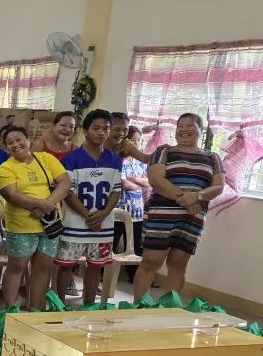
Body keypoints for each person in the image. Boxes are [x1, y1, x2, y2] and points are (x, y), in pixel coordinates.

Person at [132, 112, 224, 301]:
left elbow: (218, 187)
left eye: (189, 126)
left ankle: (168, 309)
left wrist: (197, 196)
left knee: (178, 264)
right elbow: (156, 180)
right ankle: (139, 307)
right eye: (180, 126)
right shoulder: (164, 151)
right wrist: (187, 200)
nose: (183, 130)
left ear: (201, 129)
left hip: (193, 218)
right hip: (161, 215)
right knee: (151, 261)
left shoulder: (212, 157)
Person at [0, 125, 72, 310]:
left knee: (43, 268)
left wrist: (47, 205)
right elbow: (11, 195)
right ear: (6, 148)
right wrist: (42, 205)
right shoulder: (6, 168)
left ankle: (36, 309)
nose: (16, 144)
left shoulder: (45, 158)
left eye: (19, 139)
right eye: (10, 143)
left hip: (49, 225)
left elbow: (65, 182)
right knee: (17, 267)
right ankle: (11, 311)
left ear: (28, 139)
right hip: (21, 227)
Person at [54, 109, 122, 304]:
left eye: (105, 128)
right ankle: (59, 305)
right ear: (85, 131)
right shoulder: (71, 159)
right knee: (66, 266)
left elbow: (116, 191)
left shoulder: (115, 160)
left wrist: (103, 214)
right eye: (96, 128)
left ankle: (89, 306)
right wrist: (87, 215)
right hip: (74, 224)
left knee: (96, 267)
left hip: (103, 226)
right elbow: (67, 192)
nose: (101, 132)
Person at [114, 125, 149, 278]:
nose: (135, 144)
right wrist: (138, 183)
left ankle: (134, 276)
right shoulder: (117, 159)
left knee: (135, 245)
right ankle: (102, 275)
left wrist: (133, 179)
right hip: (118, 209)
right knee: (112, 242)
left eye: (138, 140)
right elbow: (122, 184)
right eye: (132, 140)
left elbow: (149, 181)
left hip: (136, 210)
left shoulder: (141, 162)